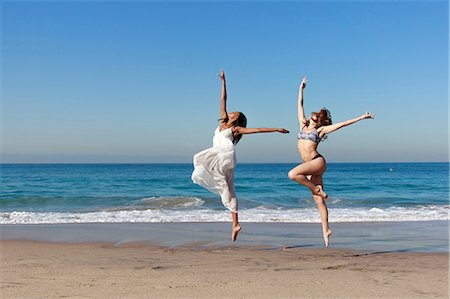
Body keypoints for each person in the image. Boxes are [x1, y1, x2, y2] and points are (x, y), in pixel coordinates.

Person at [192, 70, 289, 241]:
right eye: (231, 112)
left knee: (199, 160)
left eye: (233, 114)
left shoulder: (234, 129)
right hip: (220, 159)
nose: (230, 113)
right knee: (228, 190)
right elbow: (223, 100)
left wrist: (276, 129)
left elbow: (256, 130)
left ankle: (235, 222)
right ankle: (235, 224)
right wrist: (223, 81)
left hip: (222, 157)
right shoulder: (222, 121)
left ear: (236, 120)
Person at [288, 76, 374, 247]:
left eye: (315, 115)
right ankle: (326, 231)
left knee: (293, 174)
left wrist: (361, 117)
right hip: (312, 167)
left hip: (317, 162)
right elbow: (299, 105)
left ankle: (316, 189)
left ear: (318, 119)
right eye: (313, 113)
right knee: (319, 202)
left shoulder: (321, 130)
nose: (312, 114)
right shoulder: (302, 125)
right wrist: (301, 88)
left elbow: (342, 124)